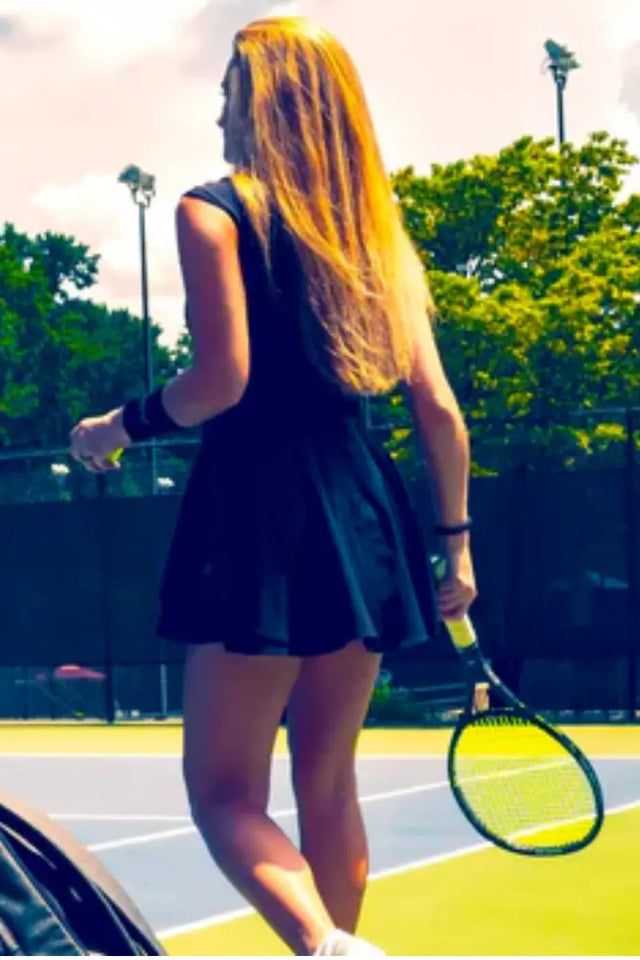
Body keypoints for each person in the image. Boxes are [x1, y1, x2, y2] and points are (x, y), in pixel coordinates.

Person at [69, 16, 476, 957]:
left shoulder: (210, 212)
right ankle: (334, 948)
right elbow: (441, 414)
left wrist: (114, 428)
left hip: (259, 517)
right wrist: (455, 545)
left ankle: (331, 950)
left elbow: (222, 384)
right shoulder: (373, 232)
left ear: (262, 100)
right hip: (365, 519)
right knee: (329, 783)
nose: (217, 107)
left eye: (228, 86)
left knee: (221, 794)